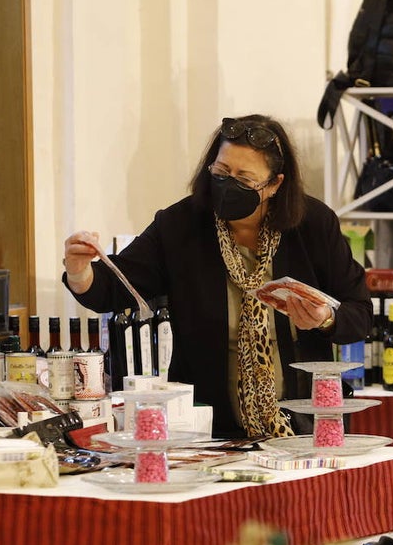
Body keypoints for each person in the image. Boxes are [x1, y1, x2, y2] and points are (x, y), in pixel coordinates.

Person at [63, 115, 373, 439]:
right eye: (221, 172)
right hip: (209, 431)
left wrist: (325, 319)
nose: (228, 185)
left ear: (274, 185)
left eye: (244, 178)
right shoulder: (180, 225)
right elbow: (115, 287)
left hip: (305, 427)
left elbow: (360, 313)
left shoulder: (313, 225)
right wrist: (79, 270)